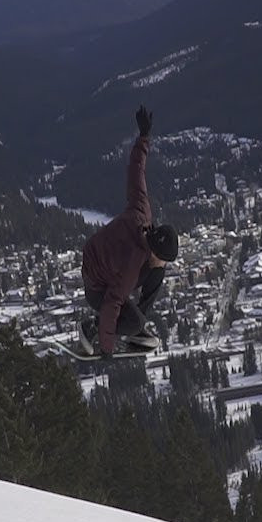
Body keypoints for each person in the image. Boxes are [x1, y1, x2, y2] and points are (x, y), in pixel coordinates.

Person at [79, 104, 179, 356]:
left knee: (157, 274)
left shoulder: (142, 212)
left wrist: (144, 136)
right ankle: (92, 327)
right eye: (163, 258)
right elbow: (112, 303)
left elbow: (136, 170)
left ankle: (136, 326)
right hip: (97, 286)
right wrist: (106, 348)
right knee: (131, 314)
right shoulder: (130, 266)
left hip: (104, 259)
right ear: (155, 250)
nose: (163, 262)